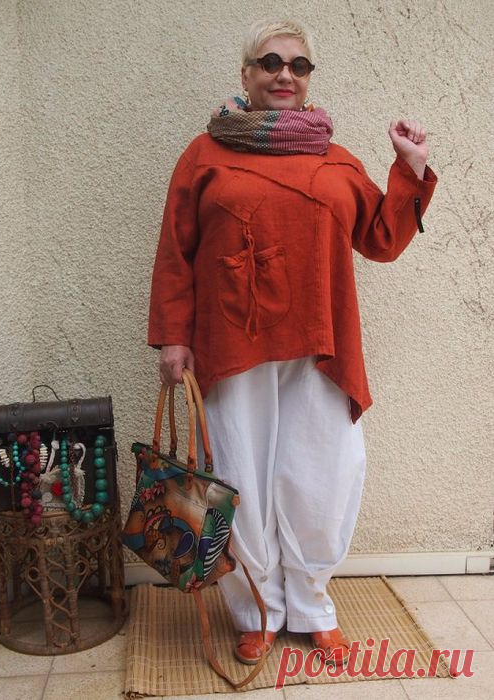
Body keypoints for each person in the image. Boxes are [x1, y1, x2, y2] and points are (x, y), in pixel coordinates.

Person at [148, 18, 437, 666]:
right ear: (246, 73)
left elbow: (381, 239)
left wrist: (410, 168)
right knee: (238, 481)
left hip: (320, 347)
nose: (284, 74)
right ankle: (257, 611)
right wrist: (172, 337)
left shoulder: (335, 159)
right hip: (232, 343)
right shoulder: (204, 155)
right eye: (270, 62)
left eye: (298, 65)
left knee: (323, 477)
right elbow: (176, 251)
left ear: (308, 79)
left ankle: (310, 606)